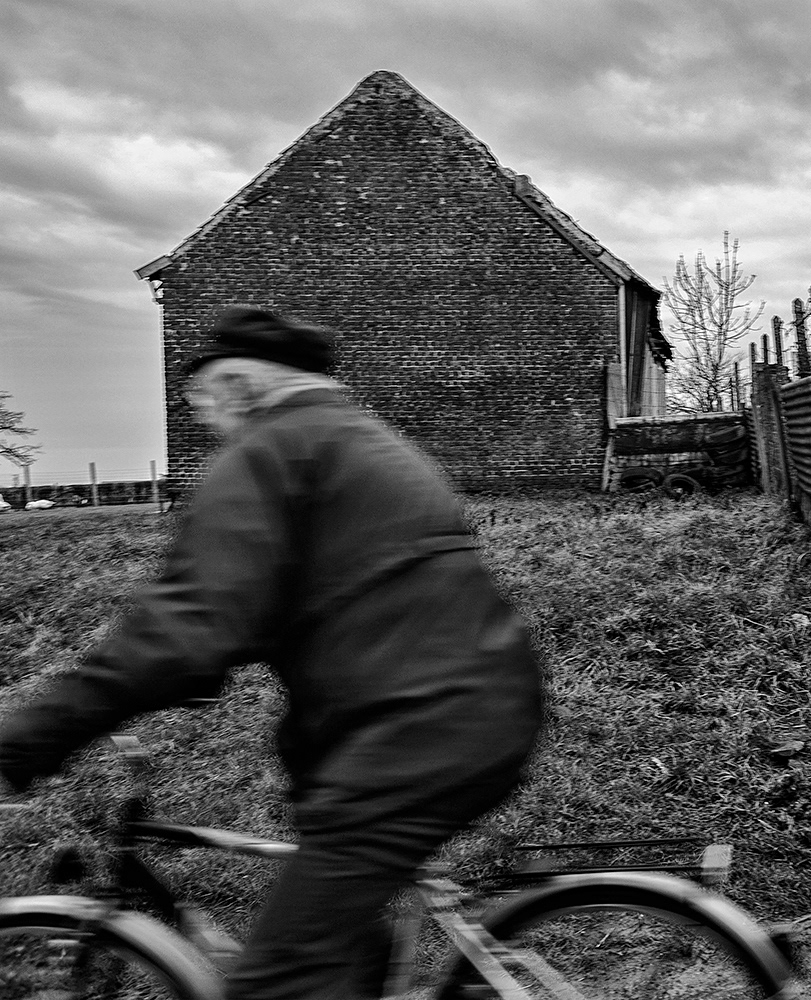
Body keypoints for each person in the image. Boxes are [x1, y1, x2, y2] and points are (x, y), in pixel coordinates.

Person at [0, 305, 545, 999]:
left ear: (239, 384)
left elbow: (181, 628)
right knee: (340, 942)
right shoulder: (360, 438)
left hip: (415, 736)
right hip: (463, 711)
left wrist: (28, 740)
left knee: (276, 983)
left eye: (204, 396)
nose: (205, 416)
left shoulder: (269, 453)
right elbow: (282, 606)